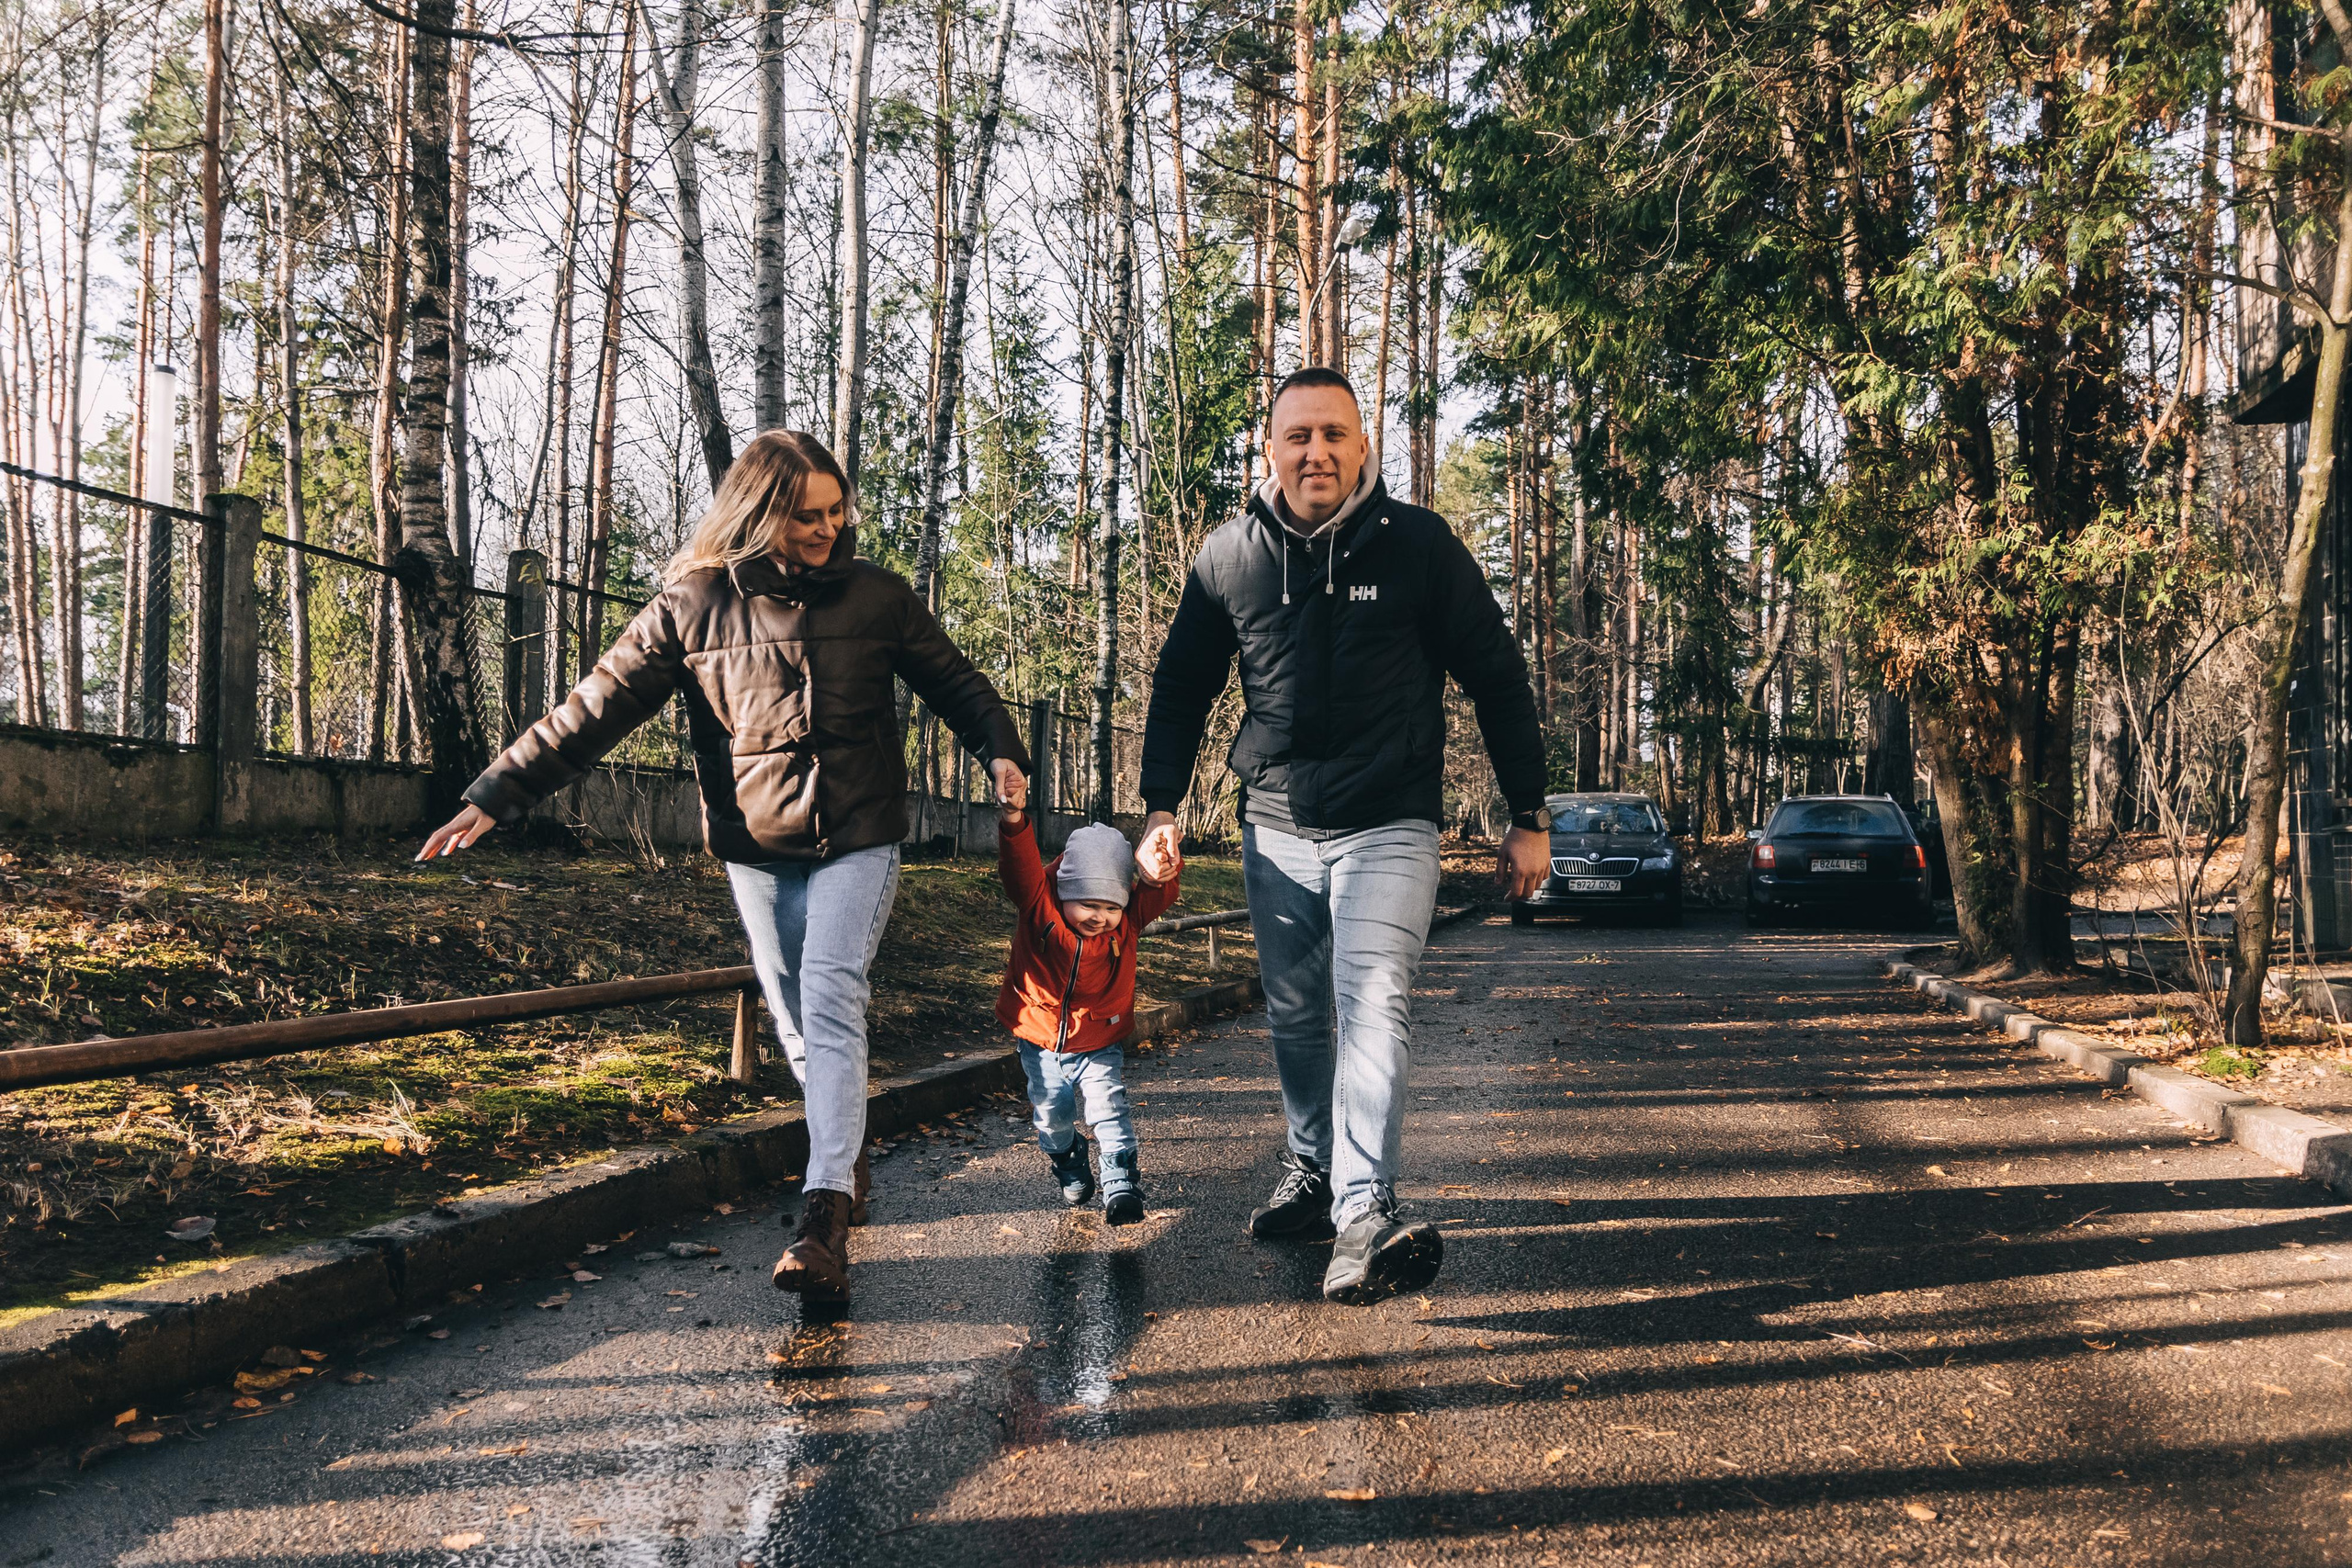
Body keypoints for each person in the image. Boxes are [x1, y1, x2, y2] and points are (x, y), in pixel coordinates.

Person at [417, 429, 1029, 1305]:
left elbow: (960, 683)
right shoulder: (692, 604)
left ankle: (822, 1212)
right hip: (755, 846)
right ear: (757, 511)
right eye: (805, 515)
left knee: (828, 989)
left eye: (835, 511)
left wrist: (999, 747)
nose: (827, 528)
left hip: (860, 834)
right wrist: (497, 790)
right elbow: (595, 706)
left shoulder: (878, 597)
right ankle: (842, 1150)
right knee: (794, 1019)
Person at [1137, 366, 1550, 1305]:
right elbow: (1179, 685)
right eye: (1297, 436)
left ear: (1364, 446)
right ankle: (1312, 1169)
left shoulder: (1420, 549)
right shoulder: (1229, 557)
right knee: (1293, 1018)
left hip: (1389, 822)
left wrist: (1528, 817)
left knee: (1371, 1001)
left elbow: (1496, 676)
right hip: (1275, 825)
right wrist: (1160, 807)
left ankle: (1364, 1212)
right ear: (1271, 450)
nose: (1315, 451)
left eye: (1334, 433)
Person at [992, 781, 1182, 1225]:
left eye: (1110, 907)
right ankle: (1069, 1158)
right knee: (1052, 1120)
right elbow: (1020, 870)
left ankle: (1121, 1183)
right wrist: (1015, 820)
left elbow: (1158, 891)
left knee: (1107, 1107)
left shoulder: (1126, 925)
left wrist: (1162, 859)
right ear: (1063, 893)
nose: (1100, 917)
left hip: (1098, 1038)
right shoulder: (1039, 907)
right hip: (1040, 1041)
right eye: (1088, 905)